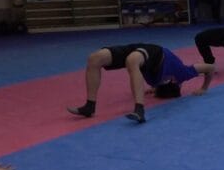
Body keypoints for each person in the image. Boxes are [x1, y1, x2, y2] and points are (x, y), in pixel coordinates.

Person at [66, 43, 215, 123]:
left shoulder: (156, 82)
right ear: (175, 81)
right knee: (129, 60)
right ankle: (92, 106)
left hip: (139, 55)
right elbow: (210, 68)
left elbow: (159, 83)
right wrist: (204, 88)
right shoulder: (182, 73)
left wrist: (154, 88)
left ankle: (92, 107)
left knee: (95, 58)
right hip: (156, 53)